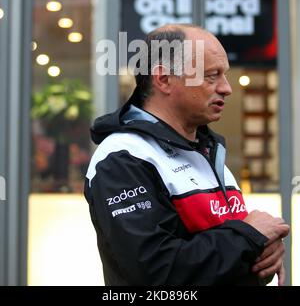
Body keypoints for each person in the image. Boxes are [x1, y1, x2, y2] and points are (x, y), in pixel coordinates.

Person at [84, 24, 289, 286]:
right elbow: (157, 272)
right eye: (212, 76)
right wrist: (249, 236)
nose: (226, 88)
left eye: (224, 75)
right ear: (164, 79)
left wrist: (264, 252)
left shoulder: (207, 150)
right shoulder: (123, 157)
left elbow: (228, 260)